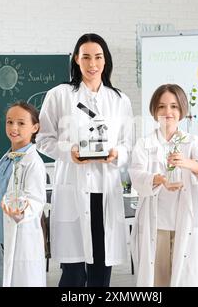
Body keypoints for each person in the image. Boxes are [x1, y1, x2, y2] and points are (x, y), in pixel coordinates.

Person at [36, 33, 134, 287]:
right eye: (86, 57)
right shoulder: (59, 95)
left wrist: (116, 154)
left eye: (98, 57)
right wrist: (69, 151)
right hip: (73, 188)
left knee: (101, 268)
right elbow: (43, 139)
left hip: (105, 190)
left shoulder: (119, 100)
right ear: (76, 60)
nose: (92, 64)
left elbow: (127, 144)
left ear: (106, 61)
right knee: (73, 272)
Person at [128, 84, 198, 287]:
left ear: (182, 110)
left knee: (185, 279)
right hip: (155, 224)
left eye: (174, 106)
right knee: (158, 281)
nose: (168, 112)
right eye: (162, 107)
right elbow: (136, 177)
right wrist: (160, 180)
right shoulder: (144, 143)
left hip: (184, 221)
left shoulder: (192, 143)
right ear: (154, 111)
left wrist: (187, 163)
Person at [0, 101, 46, 287]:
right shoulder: (5, 159)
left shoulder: (33, 162)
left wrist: (23, 210)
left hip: (19, 237)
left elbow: (37, 200)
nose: (13, 127)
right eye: (9, 122)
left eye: (21, 123)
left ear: (35, 127)